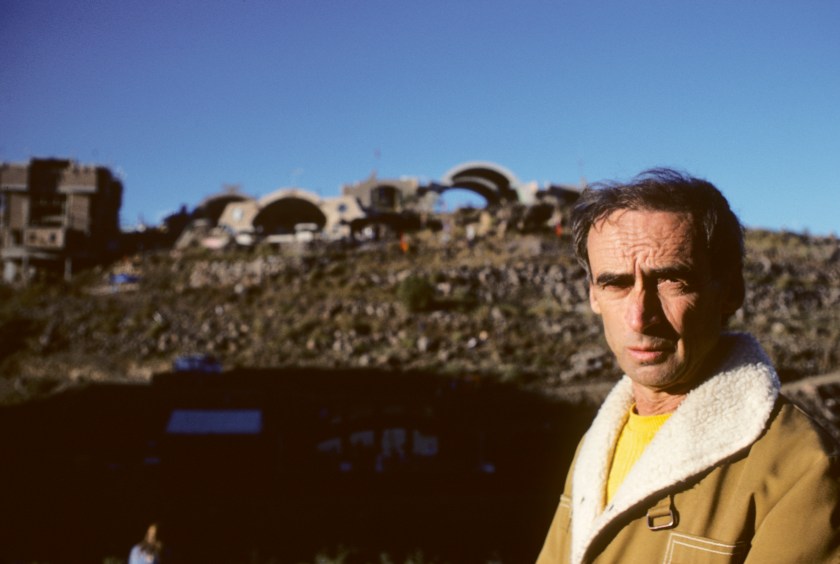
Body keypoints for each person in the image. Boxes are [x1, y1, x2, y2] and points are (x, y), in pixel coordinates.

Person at [537, 168, 839, 563]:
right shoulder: (596, 447)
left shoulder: (800, 469)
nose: (640, 317)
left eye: (671, 281)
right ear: (593, 294)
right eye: (616, 284)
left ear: (730, 292)